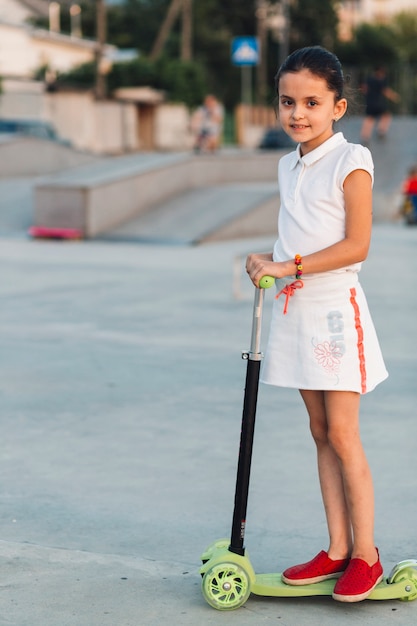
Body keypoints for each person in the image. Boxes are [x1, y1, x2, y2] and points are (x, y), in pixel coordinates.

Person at [246, 46, 388, 603]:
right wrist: (268, 262)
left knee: (345, 433)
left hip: (334, 311)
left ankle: (366, 555)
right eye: (287, 101)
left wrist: (289, 265)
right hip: (295, 308)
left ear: (338, 106)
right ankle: (334, 548)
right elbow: (294, 236)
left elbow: (358, 245)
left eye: (311, 101)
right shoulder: (288, 164)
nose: (297, 113)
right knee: (320, 433)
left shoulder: (352, 159)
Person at [360, 66, 400, 144]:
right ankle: (381, 130)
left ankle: (365, 136)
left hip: (370, 103)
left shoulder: (369, 79)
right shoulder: (380, 81)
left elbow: (363, 89)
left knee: (369, 119)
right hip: (379, 103)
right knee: (387, 116)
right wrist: (395, 97)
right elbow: (386, 91)